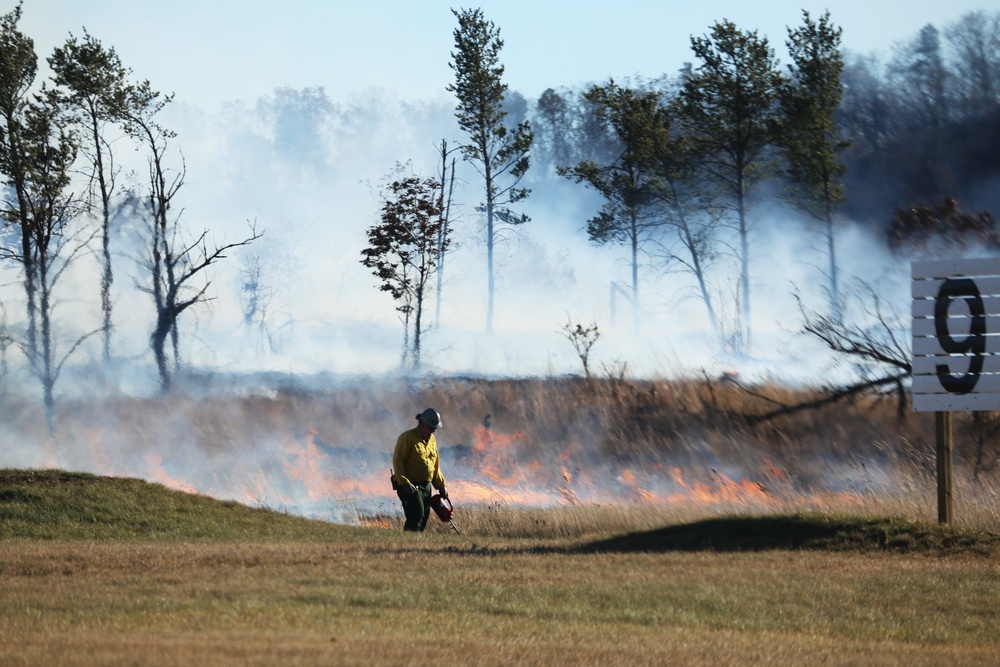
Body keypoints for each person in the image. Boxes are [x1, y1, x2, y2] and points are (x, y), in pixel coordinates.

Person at [392, 408, 448, 531]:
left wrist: (441, 485)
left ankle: (415, 545)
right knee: (416, 514)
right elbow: (398, 461)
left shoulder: (432, 440)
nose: (433, 430)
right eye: (431, 427)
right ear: (422, 424)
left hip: (426, 486)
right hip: (410, 485)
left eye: (435, 428)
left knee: (424, 517)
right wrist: (404, 483)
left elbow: (435, 466)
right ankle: (406, 544)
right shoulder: (407, 437)